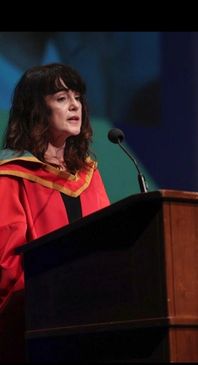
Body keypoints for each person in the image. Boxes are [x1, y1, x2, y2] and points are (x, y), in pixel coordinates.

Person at [0, 63, 110, 361]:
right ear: (36, 109)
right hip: (36, 326)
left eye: (77, 97)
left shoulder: (88, 175)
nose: (75, 105)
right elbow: (9, 265)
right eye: (61, 98)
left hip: (96, 318)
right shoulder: (12, 177)